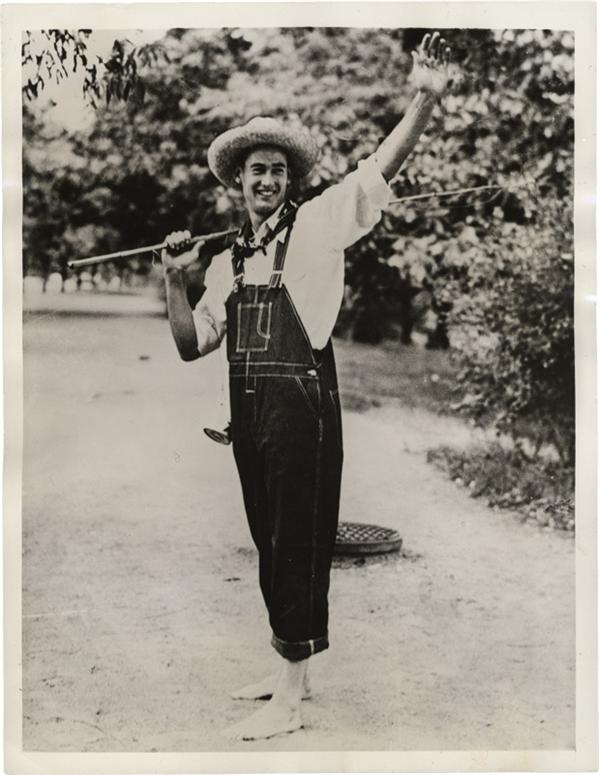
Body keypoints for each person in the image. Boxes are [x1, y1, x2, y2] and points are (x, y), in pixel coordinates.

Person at [162, 32, 451, 741]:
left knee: (297, 540)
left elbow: (380, 167)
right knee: (268, 540)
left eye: (277, 171)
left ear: (290, 179)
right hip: (248, 415)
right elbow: (192, 345)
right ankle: (291, 669)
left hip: (301, 413)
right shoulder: (226, 263)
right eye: (255, 171)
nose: (266, 181)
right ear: (237, 182)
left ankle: (289, 699)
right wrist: (174, 280)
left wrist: (424, 97)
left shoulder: (320, 225)